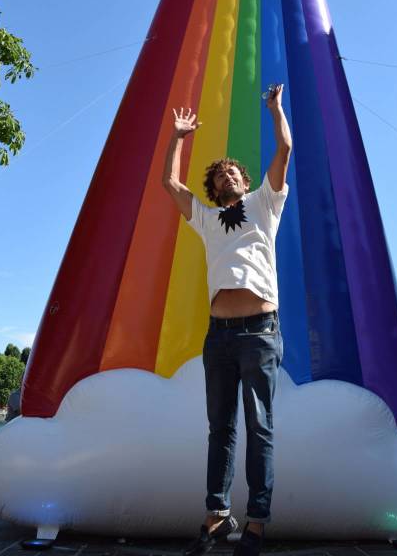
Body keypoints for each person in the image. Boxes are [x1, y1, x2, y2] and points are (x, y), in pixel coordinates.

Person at [162, 85, 292, 556]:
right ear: (215, 188)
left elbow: (285, 148)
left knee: (260, 428)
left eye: (236, 171)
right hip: (218, 337)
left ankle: (256, 523)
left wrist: (276, 109)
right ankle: (217, 516)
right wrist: (178, 138)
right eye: (224, 174)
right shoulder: (206, 219)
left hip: (260, 333)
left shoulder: (264, 204)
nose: (232, 176)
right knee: (221, 428)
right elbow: (170, 186)